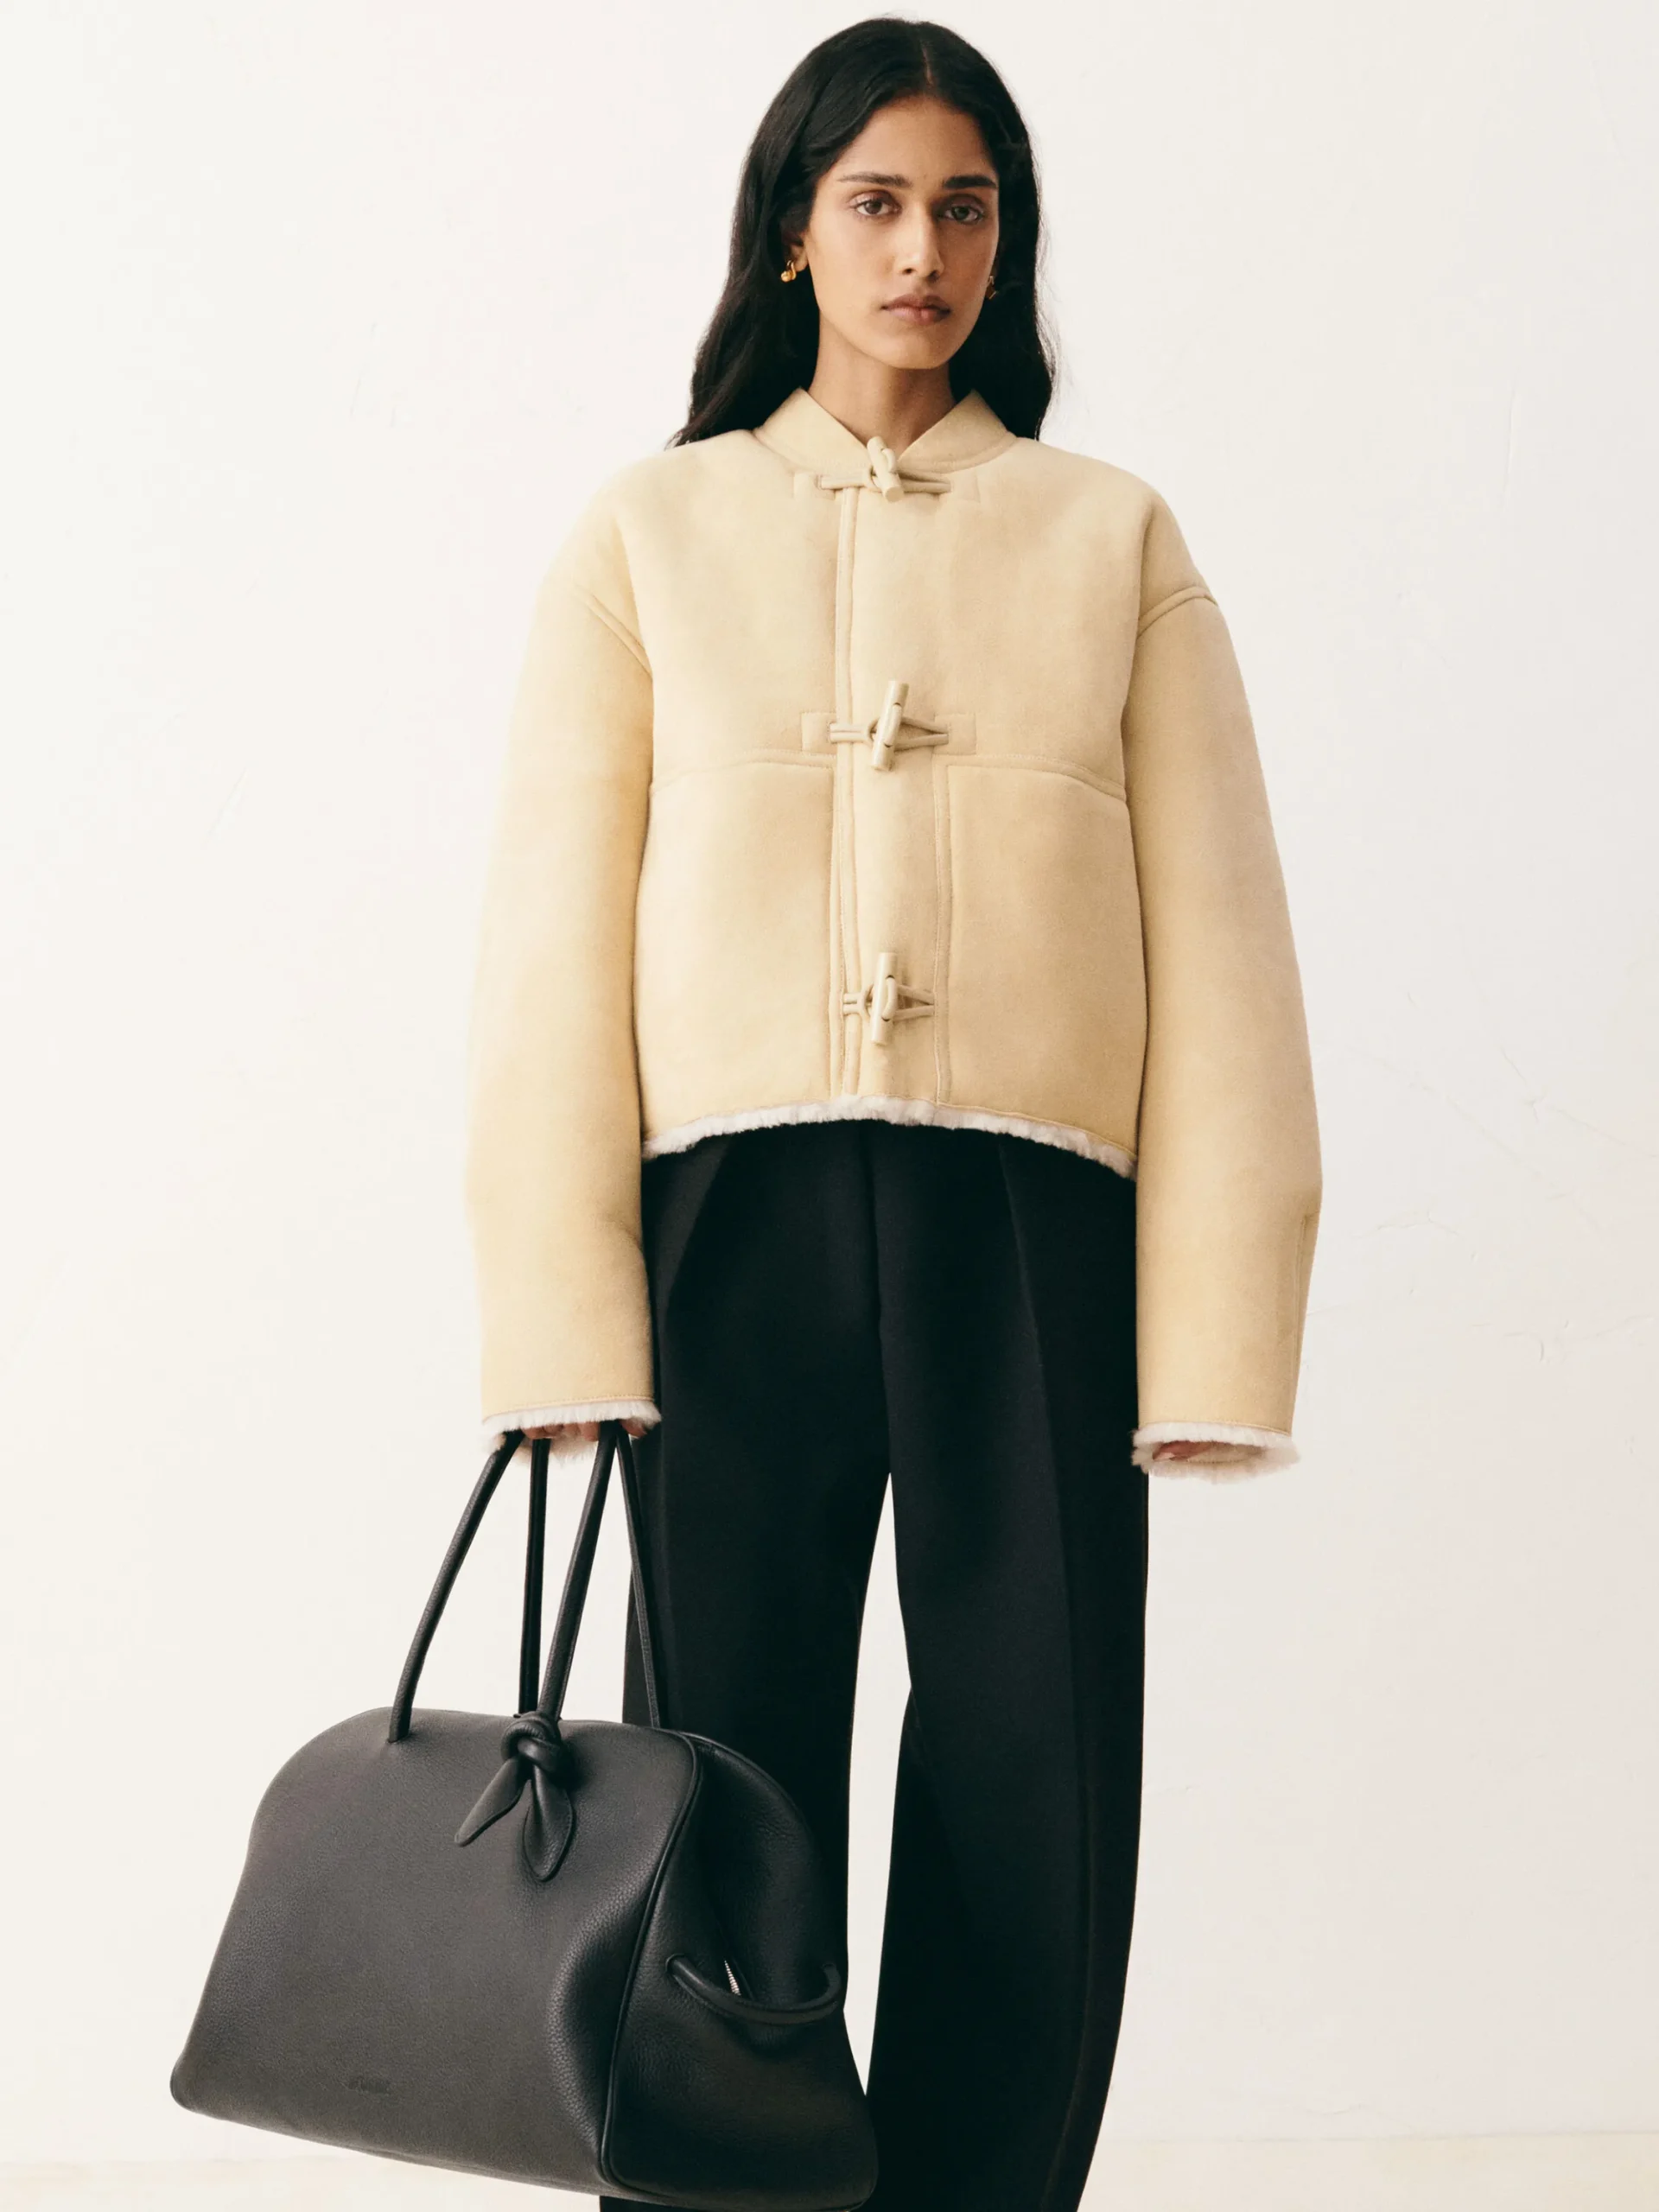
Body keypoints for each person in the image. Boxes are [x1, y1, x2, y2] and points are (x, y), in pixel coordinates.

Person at [462, 19, 1321, 2211]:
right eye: (875, 202)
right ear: (792, 231)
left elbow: (1227, 951)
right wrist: (564, 1314)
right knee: (712, 1766)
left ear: (1003, 241)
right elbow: (550, 950)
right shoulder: (649, 536)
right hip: (727, 1216)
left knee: (1039, 1757)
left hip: (1028, 1220)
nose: (921, 250)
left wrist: (1218, 1335)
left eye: (963, 206)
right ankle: (726, 2185)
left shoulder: (1112, 538)